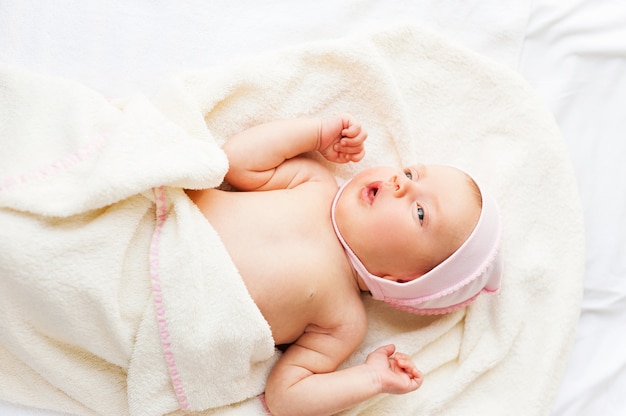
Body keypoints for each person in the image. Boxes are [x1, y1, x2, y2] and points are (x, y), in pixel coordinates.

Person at [185, 114, 502, 416]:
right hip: (167, 226)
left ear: (404, 280)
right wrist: (317, 133)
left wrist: (372, 379)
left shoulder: (344, 322)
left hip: (179, 310)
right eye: (410, 174)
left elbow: (285, 397)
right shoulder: (314, 182)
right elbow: (235, 160)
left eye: (420, 212)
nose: (399, 183)